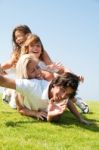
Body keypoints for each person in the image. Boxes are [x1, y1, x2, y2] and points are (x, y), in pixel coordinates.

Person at [0, 25, 89, 113]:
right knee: (12, 75)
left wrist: (74, 76)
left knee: (57, 80)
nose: (18, 39)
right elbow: (9, 64)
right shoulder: (19, 55)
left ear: (28, 35)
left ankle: (78, 101)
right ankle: (8, 91)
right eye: (16, 37)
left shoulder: (41, 53)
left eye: (20, 36)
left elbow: (59, 68)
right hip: (24, 83)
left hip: (39, 85)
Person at [0, 54, 90, 124]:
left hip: (37, 97)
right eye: (33, 70)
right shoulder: (31, 85)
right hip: (20, 101)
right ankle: (8, 92)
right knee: (14, 100)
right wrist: (35, 113)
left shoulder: (53, 88)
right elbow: (3, 81)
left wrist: (80, 118)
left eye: (38, 67)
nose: (38, 71)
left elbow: (68, 100)